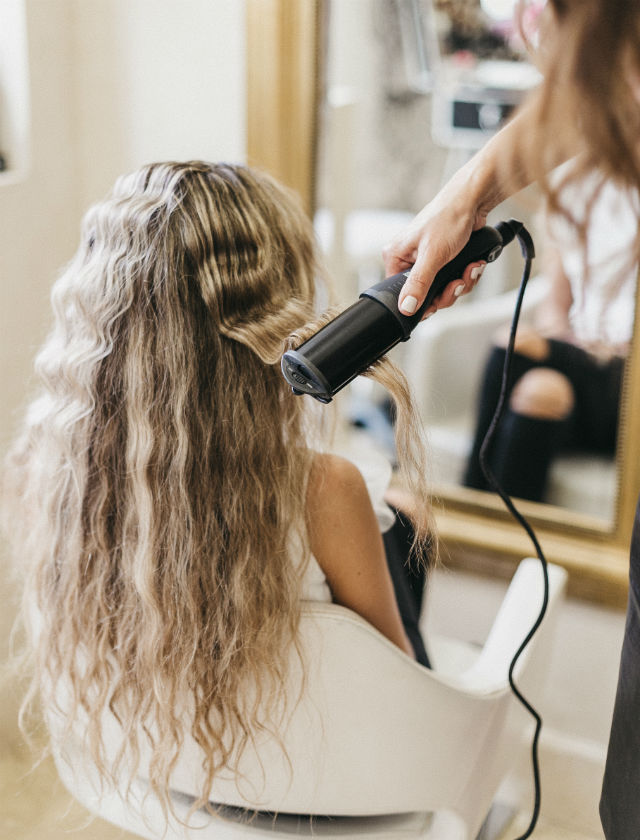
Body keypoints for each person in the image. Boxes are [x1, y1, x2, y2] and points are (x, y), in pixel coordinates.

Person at [2, 161, 434, 820]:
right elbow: (396, 691)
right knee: (403, 522)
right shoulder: (325, 492)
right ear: (272, 314)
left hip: (152, 774)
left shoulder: (40, 472)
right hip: (330, 788)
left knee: (393, 514)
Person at [382, 1, 640, 837]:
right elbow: (584, 93)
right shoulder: (591, 132)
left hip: (618, 369)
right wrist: (467, 195)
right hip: (588, 344)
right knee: (513, 358)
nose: (524, 28)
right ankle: (454, 521)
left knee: (539, 388)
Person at [464, 178, 637, 504]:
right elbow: (554, 309)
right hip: (581, 362)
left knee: (516, 342)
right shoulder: (577, 189)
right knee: (541, 388)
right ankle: (489, 527)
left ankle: (468, 497)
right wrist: (578, 347)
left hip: (630, 385)